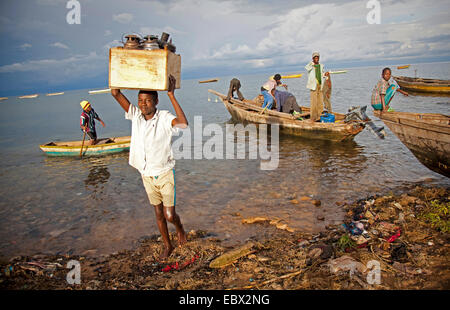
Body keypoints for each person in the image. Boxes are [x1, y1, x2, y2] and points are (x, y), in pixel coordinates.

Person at [111, 75, 188, 259]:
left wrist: (171, 94)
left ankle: (180, 227)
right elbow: (115, 92)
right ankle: (167, 245)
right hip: (146, 174)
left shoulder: (164, 117)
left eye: (147, 101)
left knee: (169, 215)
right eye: (140, 101)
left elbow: (183, 124)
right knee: (158, 213)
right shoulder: (136, 116)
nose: (143, 104)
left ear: (156, 101)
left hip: (164, 173)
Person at [305, 52, 328, 122]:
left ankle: (319, 115)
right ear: (313, 59)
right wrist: (312, 64)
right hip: (313, 86)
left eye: (317, 57)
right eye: (315, 58)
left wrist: (325, 74)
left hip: (320, 85)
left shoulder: (321, 65)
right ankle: (313, 117)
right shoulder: (310, 65)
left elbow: (322, 74)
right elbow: (307, 68)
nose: (316, 59)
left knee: (320, 101)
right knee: (313, 102)